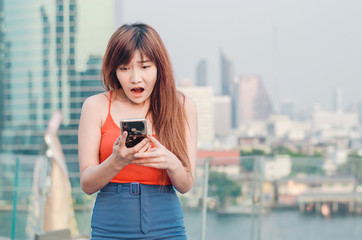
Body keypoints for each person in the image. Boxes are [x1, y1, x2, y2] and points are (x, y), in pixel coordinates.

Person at [78, 22, 198, 239]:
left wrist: (171, 162)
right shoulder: (95, 106)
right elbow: (87, 184)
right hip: (109, 227)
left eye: (144, 67)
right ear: (114, 69)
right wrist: (116, 161)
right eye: (124, 68)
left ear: (159, 67)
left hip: (167, 226)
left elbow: (186, 184)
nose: (135, 78)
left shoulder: (182, 106)